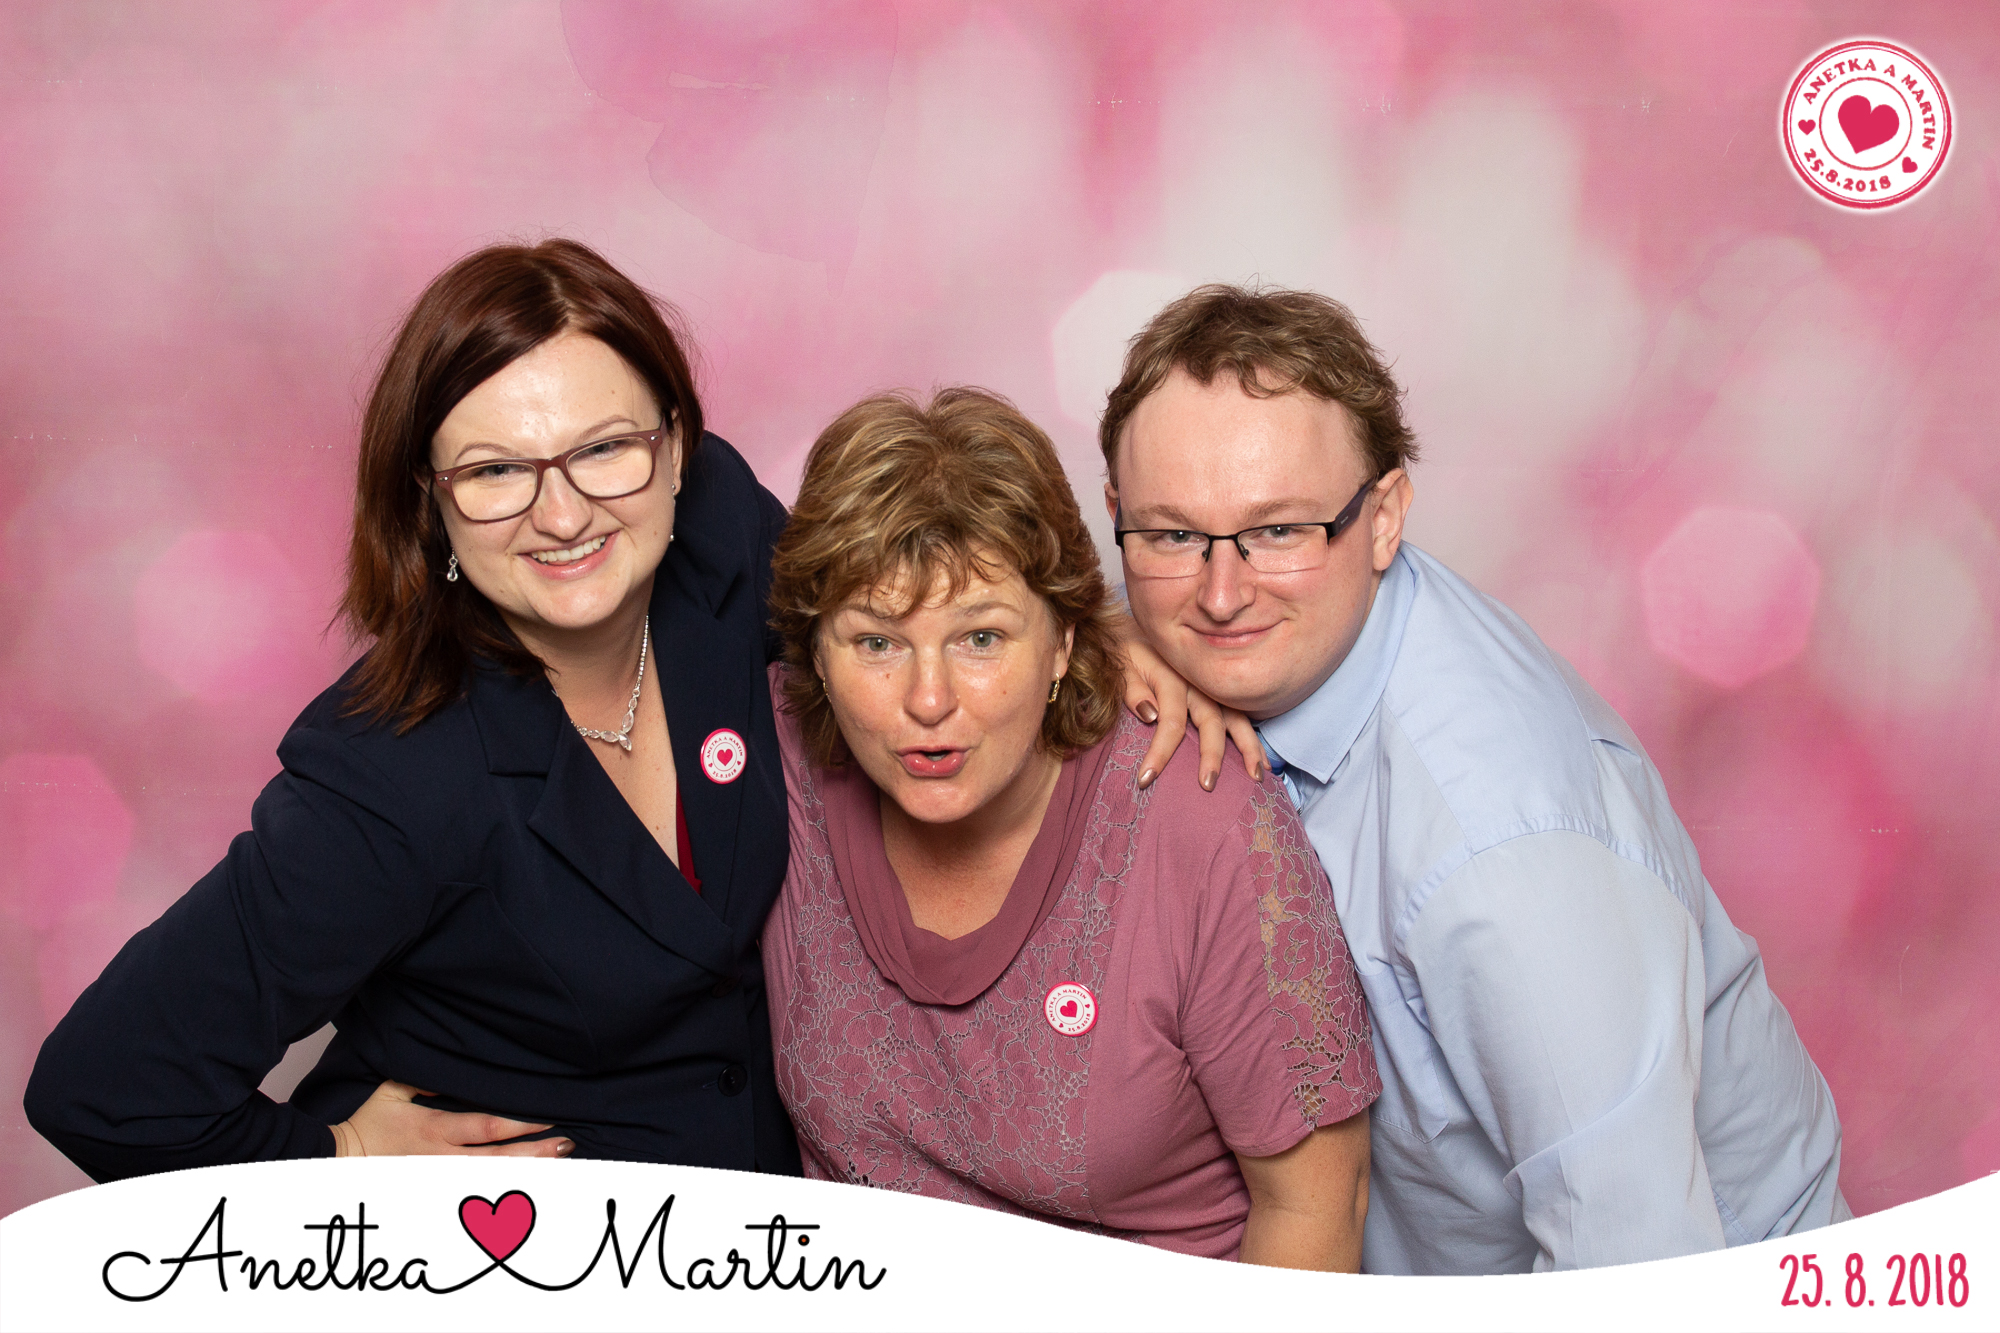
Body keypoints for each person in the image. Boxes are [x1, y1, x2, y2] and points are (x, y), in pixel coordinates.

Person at [1100, 284, 1850, 1273]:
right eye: (1171, 536)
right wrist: (1102, 633)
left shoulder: (1497, 854)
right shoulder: (1266, 635)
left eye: (1278, 531)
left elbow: (1632, 1259)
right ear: (1117, 518)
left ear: (1382, 518)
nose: (1221, 591)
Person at [26, 239, 802, 1175]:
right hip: (531, 1248)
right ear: (430, 501)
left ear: (674, 451)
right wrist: (336, 1152)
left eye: (602, 448)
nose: (563, 515)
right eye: (495, 471)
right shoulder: (389, 773)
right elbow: (102, 1083)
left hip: (778, 1230)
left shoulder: (727, 534)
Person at [759, 386, 1381, 1268]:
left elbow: (1318, 1204)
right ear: (815, 654)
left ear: (1061, 643)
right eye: (877, 643)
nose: (928, 699)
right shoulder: (776, 758)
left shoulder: (1204, 825)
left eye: (982, 638)